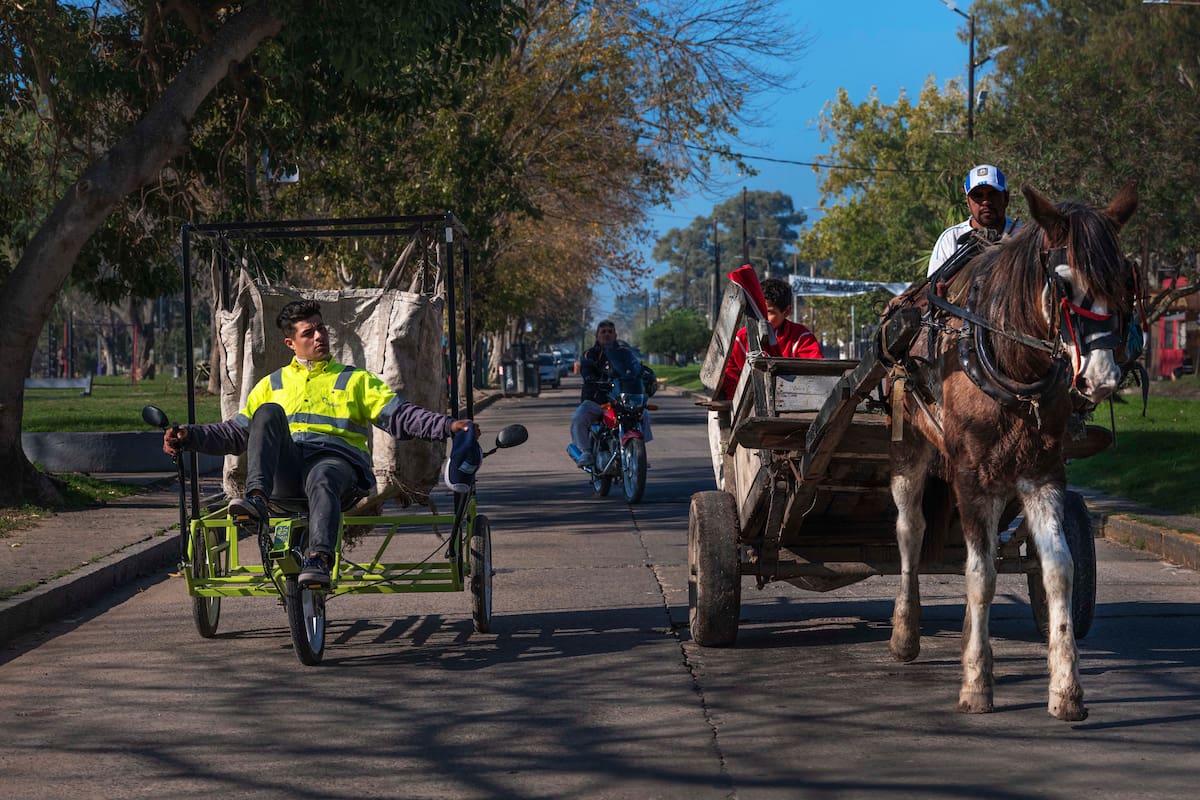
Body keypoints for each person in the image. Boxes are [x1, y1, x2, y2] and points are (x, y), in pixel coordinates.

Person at [163, 299, 473, 589]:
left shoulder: (355, 380)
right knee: (268, 412)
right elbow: (233, 434)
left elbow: (402, 417)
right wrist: (190, 435)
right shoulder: (270, 385)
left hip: (339, 470)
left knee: (322, 475)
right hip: (285, 479)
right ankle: (256, 501)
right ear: (291, 343)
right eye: (308, 333)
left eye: (320, 328)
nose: (318, 337)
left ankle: (320, 559)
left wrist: (447, 425)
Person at [568, 320, 654, 467]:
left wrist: (646, 373)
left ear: (615, 335)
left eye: (610, 331)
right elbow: (586, 368)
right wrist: (590, 377)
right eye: (603, 332)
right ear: (597, 335)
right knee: (579, 417)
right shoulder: (590, 354)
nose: (607, 334)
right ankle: (586, 452)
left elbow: (635, 367)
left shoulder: (624, 353)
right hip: (597, 401)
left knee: (643, 414)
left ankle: (639, 453)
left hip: (621, 399)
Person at [720, 277, 822, 400]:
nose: (762, 317)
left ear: (786, 311)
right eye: (757, 310)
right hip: (745, 404)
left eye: (769, 312)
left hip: (793, 402)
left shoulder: (801, 338)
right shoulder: (740, 339)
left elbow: (814, 373)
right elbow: (729, 373)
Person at [927, 164, 1021, 277]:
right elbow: (933, 288)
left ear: (1006, 198)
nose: (986, 202)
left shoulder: (1022, 235)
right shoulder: (950, 239)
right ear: (968, 202)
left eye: (993, 194)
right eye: (978, 195)